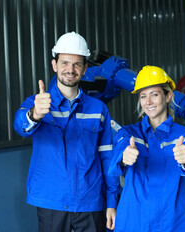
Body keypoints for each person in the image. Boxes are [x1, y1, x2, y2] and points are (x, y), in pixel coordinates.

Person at [14, 32, 120, 232]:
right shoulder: (38, 102)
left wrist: (112, 200)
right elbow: (20, 126)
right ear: (54, 65)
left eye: (77, 64)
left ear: (85, 69)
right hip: (52, 200)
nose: (70, 69)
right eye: (64, 63)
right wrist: (35, 114)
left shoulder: (98, 109)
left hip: (91, 200)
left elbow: (108, 157)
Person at [108, 65, 185, 232]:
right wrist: (125, 156)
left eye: (154, 95)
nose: (148, 102)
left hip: (176, 221)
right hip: (136, 221)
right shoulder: (129, 133)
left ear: (168, 96)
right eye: (143, 96)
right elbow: (120, 147)